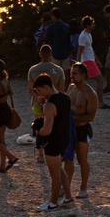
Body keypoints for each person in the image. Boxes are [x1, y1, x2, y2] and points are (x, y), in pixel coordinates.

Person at [36, 73, 74, 209]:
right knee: (59, 169)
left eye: (39, 90)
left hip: (52, 142)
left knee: (54, 175)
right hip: (64, 139)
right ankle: (68, 197)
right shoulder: (65, 98)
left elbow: (47, 130)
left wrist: (37, 131)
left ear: (46, 87)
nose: (39, 94)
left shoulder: (50, 105)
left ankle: (52, 202)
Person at [68, 63, 100, 197]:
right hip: (69, 129)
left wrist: (75, 118)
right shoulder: (70, 88)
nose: (72, 76)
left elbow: (91, 116)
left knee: (82, 160)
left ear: (83, 75)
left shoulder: (90, 94)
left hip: (82, 129)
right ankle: (66, 187)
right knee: (68, 159)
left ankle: (83, 187)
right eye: (71, 73)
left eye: (75, 73)